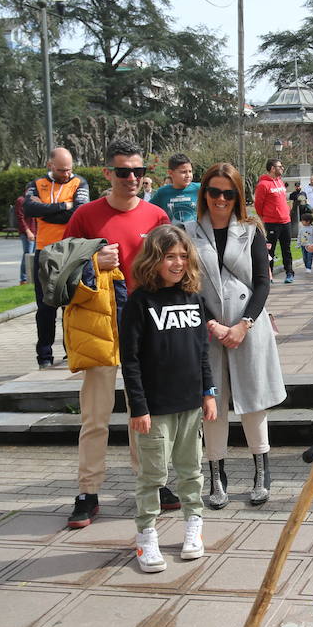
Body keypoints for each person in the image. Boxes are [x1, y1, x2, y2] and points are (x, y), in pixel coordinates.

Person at [61, 141, 171, 529]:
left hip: (145, 328)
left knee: (147, 414)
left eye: (138, 171)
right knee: (95, 416)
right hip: (102, 326)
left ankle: (154, 483)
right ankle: (88, 492)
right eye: (123, 171)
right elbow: (58, 273)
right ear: (107, 173)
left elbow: (172, 270)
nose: (132, 179)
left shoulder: (157, 216)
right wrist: (92, 260)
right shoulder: (86, 216)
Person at [184, 163, 286, 509]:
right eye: (214, 192)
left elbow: (262, 282)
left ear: (238, 196)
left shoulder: (251, 230)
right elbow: (189, 285)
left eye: (229, 193)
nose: (221, 199)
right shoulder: (189, 232)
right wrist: (212, 323)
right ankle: (216, 472)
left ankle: (261, 468)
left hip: (247, 327)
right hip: (209, 329)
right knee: (213, 403)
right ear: (205, 194)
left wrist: (244, 324)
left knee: (253, 400)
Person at [119, 224, 216, 572]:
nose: (177, 263)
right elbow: (129, 360)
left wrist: (209, 392)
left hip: (190, 404)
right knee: (153, 475)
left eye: (182, 256)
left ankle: (194, 527)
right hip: (155, 409)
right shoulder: (138, 303)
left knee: (191, 471)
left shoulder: (194, 298)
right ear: (153, 260)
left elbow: (202, 351)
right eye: (169, 256)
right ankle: (146, 536)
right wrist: (139, 406)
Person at [24, 147, 90, 369]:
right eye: (62, 170)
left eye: (70, 169)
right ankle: (44, 356)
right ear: (50, 165)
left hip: (70, 250)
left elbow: (79, 211)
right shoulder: (37, 184)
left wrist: (46, 212)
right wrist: (63, 206)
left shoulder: (79, 182)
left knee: (70, 306)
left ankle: (71, 352)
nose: (67, 174)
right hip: (44, 251)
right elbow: (29, 208)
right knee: (45, 307)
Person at [254, 158, 295, 284]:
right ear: (272, 168)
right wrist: (265, 217)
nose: (282, 168)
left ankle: (289, 273)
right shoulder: (263, 185)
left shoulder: (280, 182)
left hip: (285, 221)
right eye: (279, 166)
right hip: (271, 223)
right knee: (269, 250)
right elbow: (258, 204)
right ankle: (268, 275)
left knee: (286, 249)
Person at [149, 153, 200, 223]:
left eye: (190, 171)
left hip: (194, 233)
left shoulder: (199, 188)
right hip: (172, 232)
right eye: (183, 172)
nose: (188, 175)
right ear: (170, 173)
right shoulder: (162, 192)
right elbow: (148, 210)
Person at [14, 194, 35, 285]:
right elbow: (20, 217)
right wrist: (28, 231)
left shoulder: (35, 199)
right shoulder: (21, 200)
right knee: (27, 255)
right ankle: (24, 278)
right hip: (27, 232)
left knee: (34, 255)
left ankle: (32, 277)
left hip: (36, 231)